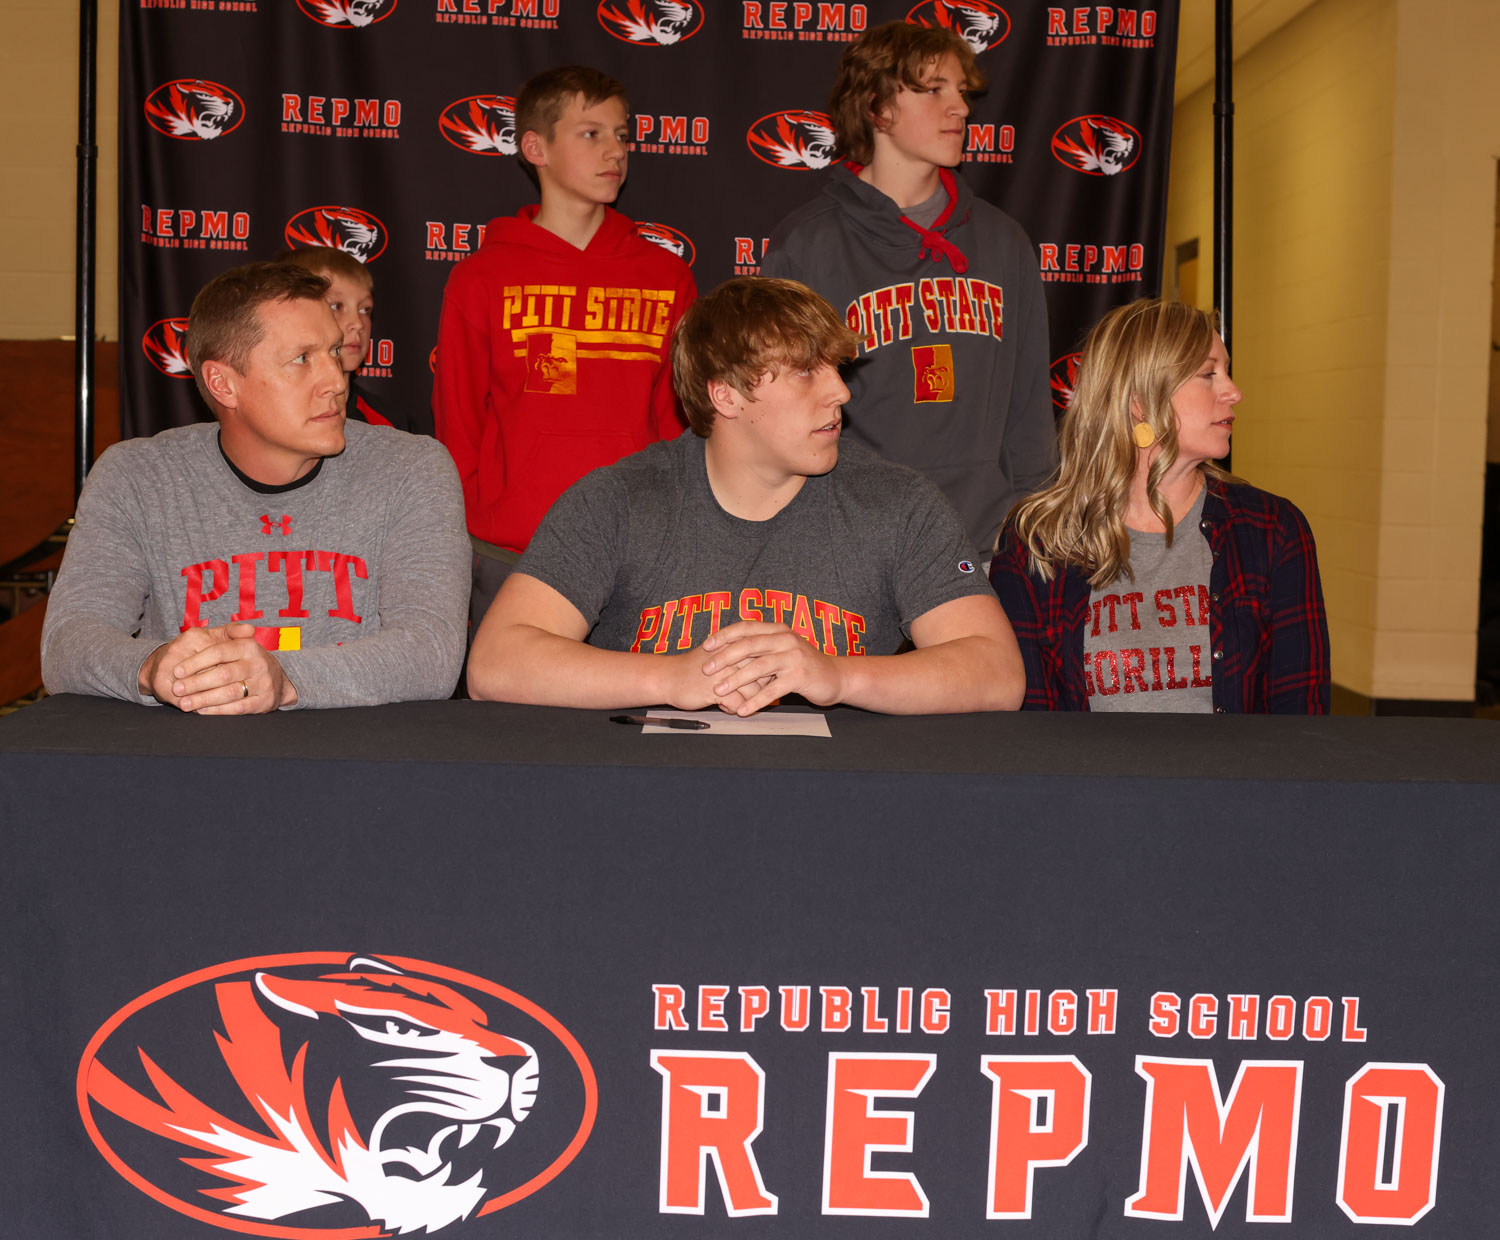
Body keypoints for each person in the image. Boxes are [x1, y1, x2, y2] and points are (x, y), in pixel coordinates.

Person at [466, 276, 1025, 716]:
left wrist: (838, 676)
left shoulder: (899, 504)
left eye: (835, 368)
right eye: (805, 372)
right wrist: (670, 678)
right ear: (726, 396)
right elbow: (495, 663)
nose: (839, 391)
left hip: (835, 800)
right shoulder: (620, 500)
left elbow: (997, 671)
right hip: (650, 797)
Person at [41, 261, 469, 713]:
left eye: (333, 351)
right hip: (184, 751)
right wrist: (153, 666)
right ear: (223, 384)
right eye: (302, 359)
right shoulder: (137, 477)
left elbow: (431, 653)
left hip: (353, 752)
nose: (335, 380)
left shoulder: (410, 469)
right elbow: (66, 645)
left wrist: (284, 679)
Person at [759, 20, 1055, 558]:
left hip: (986, 543)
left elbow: (1029, 410)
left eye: (961, 91)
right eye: (934, 89)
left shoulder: (1004, 242)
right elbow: (777, 418)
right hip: (852, 546)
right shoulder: (807, 246)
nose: (960, 108)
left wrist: (1034, 530)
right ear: (878, 109)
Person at [433, 64, 697, 634]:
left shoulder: (665, 276)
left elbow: (677, 422)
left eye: (621, 135)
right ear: (536, 148)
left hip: (638, 547)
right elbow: (459, 422)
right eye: (591, 133)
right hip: (510, 553)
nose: (616, 151)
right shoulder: (482, 277)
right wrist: (477, 526)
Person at [989, 298, 1330, 713]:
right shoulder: (1037, 542)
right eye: (1208, 374)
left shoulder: (1271, 529)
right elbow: (1030, 728)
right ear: (1140, 401)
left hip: (1241, 761)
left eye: (1226, 372)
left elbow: (1301, 720)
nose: (1234, 392)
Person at [279, 245, 415, 432]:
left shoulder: (389, 424)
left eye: (365, 309)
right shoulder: (270, 415)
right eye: (337, 306)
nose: (358, 324)